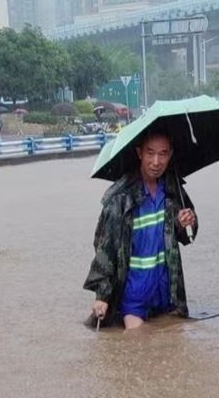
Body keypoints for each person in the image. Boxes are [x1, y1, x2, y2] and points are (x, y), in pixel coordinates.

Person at [84, 126, 198, 330]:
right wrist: (102, 296)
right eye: (150, 153)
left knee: (174, 348)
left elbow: (187, 238)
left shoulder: (173, 190)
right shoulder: (120, 198)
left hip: (166, 290)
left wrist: (187, 224)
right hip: (134, 294)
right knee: (136, 344)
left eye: (163, 154)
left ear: (170, 154)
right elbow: (104, 248)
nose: (156, 162)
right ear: (139, 153)